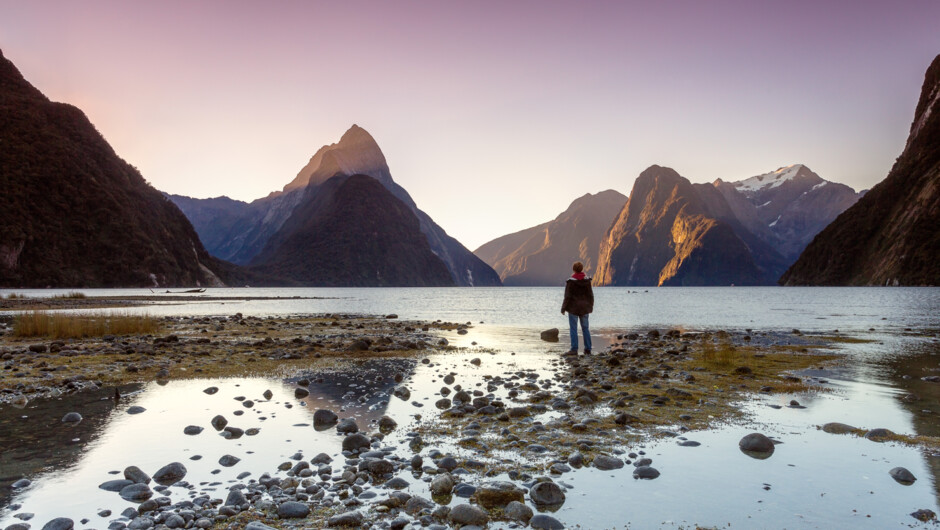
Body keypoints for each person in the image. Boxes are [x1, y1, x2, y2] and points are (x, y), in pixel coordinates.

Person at [561, 261, 593, 354]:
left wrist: (563, 308)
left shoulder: (571, 282)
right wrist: (590, 306)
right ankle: (588, 349)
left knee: (573, 329)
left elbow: (567, 297)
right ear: (582, 269)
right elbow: (590, 295)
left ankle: (574, 349)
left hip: (573, 308)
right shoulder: (587, 281)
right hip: (585, 308)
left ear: (574, 270)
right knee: (585, 328)